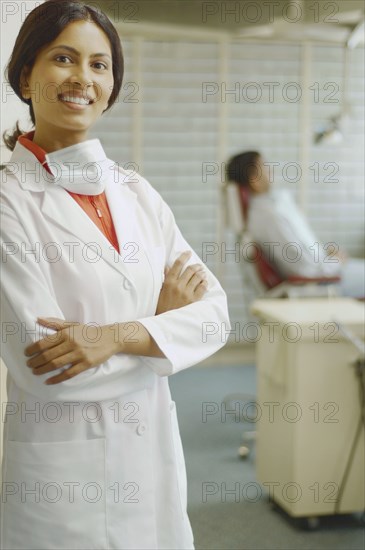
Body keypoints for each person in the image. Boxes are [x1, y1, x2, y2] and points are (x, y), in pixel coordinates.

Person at [0, 2, 231, 549]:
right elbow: (46, 368)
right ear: (26, 74)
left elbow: (215, 316)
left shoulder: (137, 193)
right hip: (61, 472)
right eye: (64, 58)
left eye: (99, 65)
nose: (82, 78)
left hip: (148, 450)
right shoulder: (9, 201)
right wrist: (161, 329)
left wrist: (115, 336)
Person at [226, 151, 365, 298]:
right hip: (327, 281)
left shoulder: (267, 210)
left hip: (327, 270)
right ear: (254, 179)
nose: (270, 170)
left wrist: (326, 256)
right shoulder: (268, 218)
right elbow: (303, 269)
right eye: (265, 166)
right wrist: (335, 262)